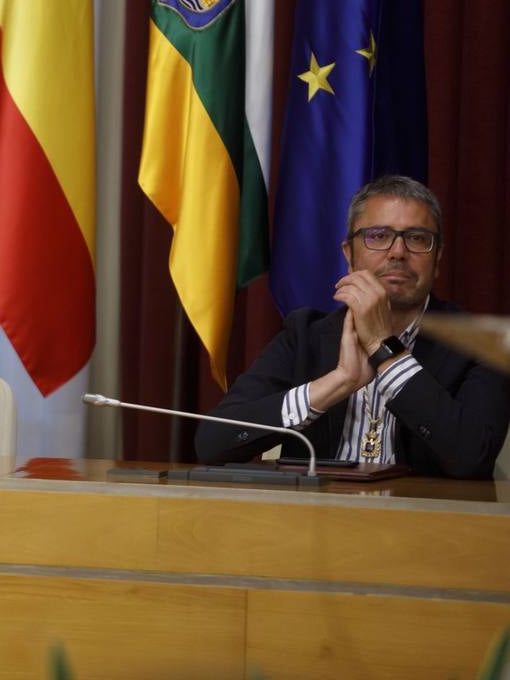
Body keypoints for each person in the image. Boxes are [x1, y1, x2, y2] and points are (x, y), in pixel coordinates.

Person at [196, 175, 508, 479]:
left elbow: (472, 458)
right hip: (315, 524)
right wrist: (339, 381)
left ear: (437, 259)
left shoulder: (480, 343)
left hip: (425, 525)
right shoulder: (305, 334)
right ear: (350, 255)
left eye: (417, 238)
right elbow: (213, 444)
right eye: (378, 236)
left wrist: (385, 350)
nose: (398, 251)